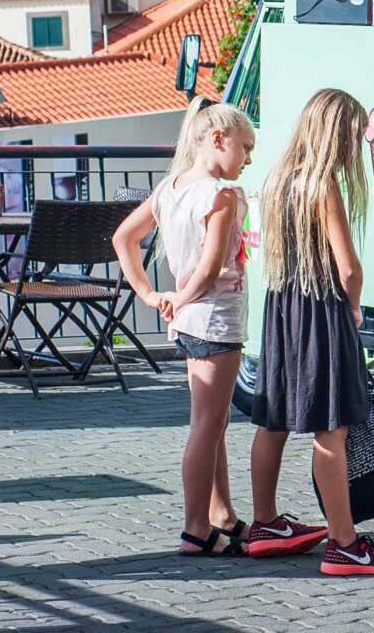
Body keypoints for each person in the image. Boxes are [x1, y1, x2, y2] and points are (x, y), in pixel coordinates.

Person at [247, 88, 374, 576]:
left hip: (281, 311)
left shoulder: (278, 179)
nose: (354, 147)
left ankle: (264, 524)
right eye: (353, 136)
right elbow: (348, 269)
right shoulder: (322, 186)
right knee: (330, 428)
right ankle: (344, 543)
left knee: (272, 419)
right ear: (335, 135)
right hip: (321, 313)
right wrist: (355, 305)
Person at [111, 96, 259, 558]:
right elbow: (212, 269)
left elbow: (123, 238)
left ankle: (221, 514)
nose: (249, 157)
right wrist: (180, 297)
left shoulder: (170, 188)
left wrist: (152, 295)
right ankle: (196, 527)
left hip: (188, 323)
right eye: (245, 146)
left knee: (210, 424)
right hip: (213, 319)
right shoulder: (222, 194)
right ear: (217, 140)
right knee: (207, 425)